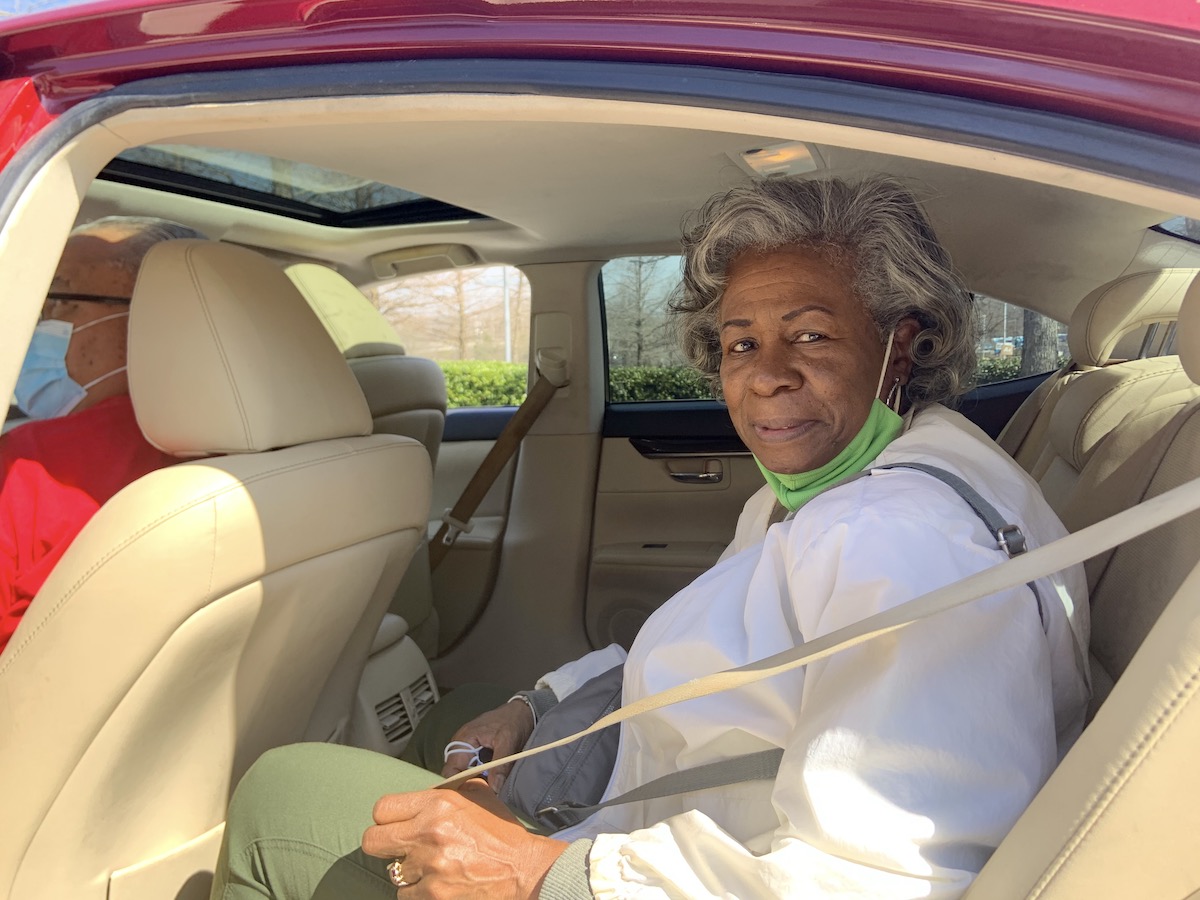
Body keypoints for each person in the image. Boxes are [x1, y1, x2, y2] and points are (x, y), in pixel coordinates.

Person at [210, 176, 1090, 899]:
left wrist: (539, 873)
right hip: (653, 800)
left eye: (811, 335)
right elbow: (727, 639)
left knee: (281, 792)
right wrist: (539, 705)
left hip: (650, 871)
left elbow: (887, 879)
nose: (768, 376)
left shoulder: (901, 543)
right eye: (741, 344)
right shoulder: (832, 490)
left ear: (904, 346)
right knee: (462, 706)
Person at [0, 216, 206, 654]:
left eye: (60, 300)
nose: (39, 324)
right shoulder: (294, 449)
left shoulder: (30, 466)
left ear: (151, 317)